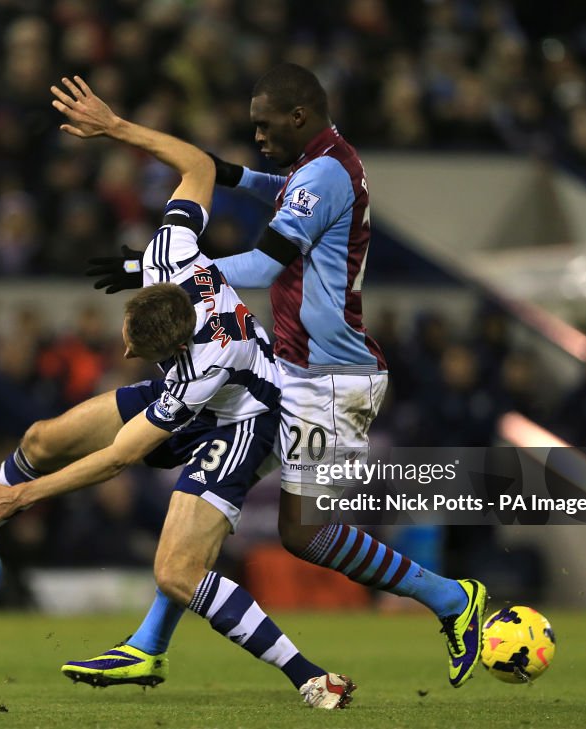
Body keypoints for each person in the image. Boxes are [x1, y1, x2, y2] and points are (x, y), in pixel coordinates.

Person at [0, 76, 355, 710]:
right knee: (42, 438)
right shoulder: (174, 251)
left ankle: (310, 677)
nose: (123, 351)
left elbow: (118, 459)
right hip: (195, 382)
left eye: (131, 349)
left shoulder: (202, 370)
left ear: (156, 352)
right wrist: (115, 127)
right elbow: (194, 164)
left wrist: (17, 498)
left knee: (177, 573)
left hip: (244, 415)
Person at [81, 63, 487, 689]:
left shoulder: (323, 172)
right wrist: (199, 164)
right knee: (208, 495)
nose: (259, 135)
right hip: (294, 368)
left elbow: (267, 265)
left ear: (299, 117)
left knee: (301, 534)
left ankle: (453, 600)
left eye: (265, 126)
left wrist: (158, 265)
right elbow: (267, 180)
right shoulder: (324, 162)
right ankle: (146, 645)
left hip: (331, 380)